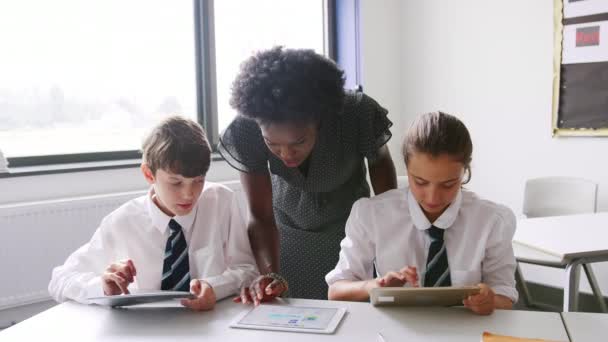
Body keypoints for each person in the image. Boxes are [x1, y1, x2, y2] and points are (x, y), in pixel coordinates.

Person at [219, 46, 397, 301]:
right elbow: (260, 216)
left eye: (298, 142)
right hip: (286, 237)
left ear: (320, 119)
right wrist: (271, 273)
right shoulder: (246, 129)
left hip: (351, 233)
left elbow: (386, 195)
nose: (286, 154)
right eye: (273, 145)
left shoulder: (357, 113)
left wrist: (389, 242)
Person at [48, 116, 258, 311]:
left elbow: (248, 270)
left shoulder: (221, 202)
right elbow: (60, 280)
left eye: (198, 180)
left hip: (211, 326)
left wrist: (215, 287)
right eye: (176, 183)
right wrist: (102, 287)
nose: (189, 194)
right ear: (149, 174)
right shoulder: (122, 222)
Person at [326, 111, 518, 315]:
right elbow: (336, 291)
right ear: (407, 169)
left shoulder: (492, 221)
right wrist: (375, 285)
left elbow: (506, 296)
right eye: (420, 182)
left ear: (465, 171)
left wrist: (490, 301)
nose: (433, 197)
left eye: (448, 184)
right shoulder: (371, 214)